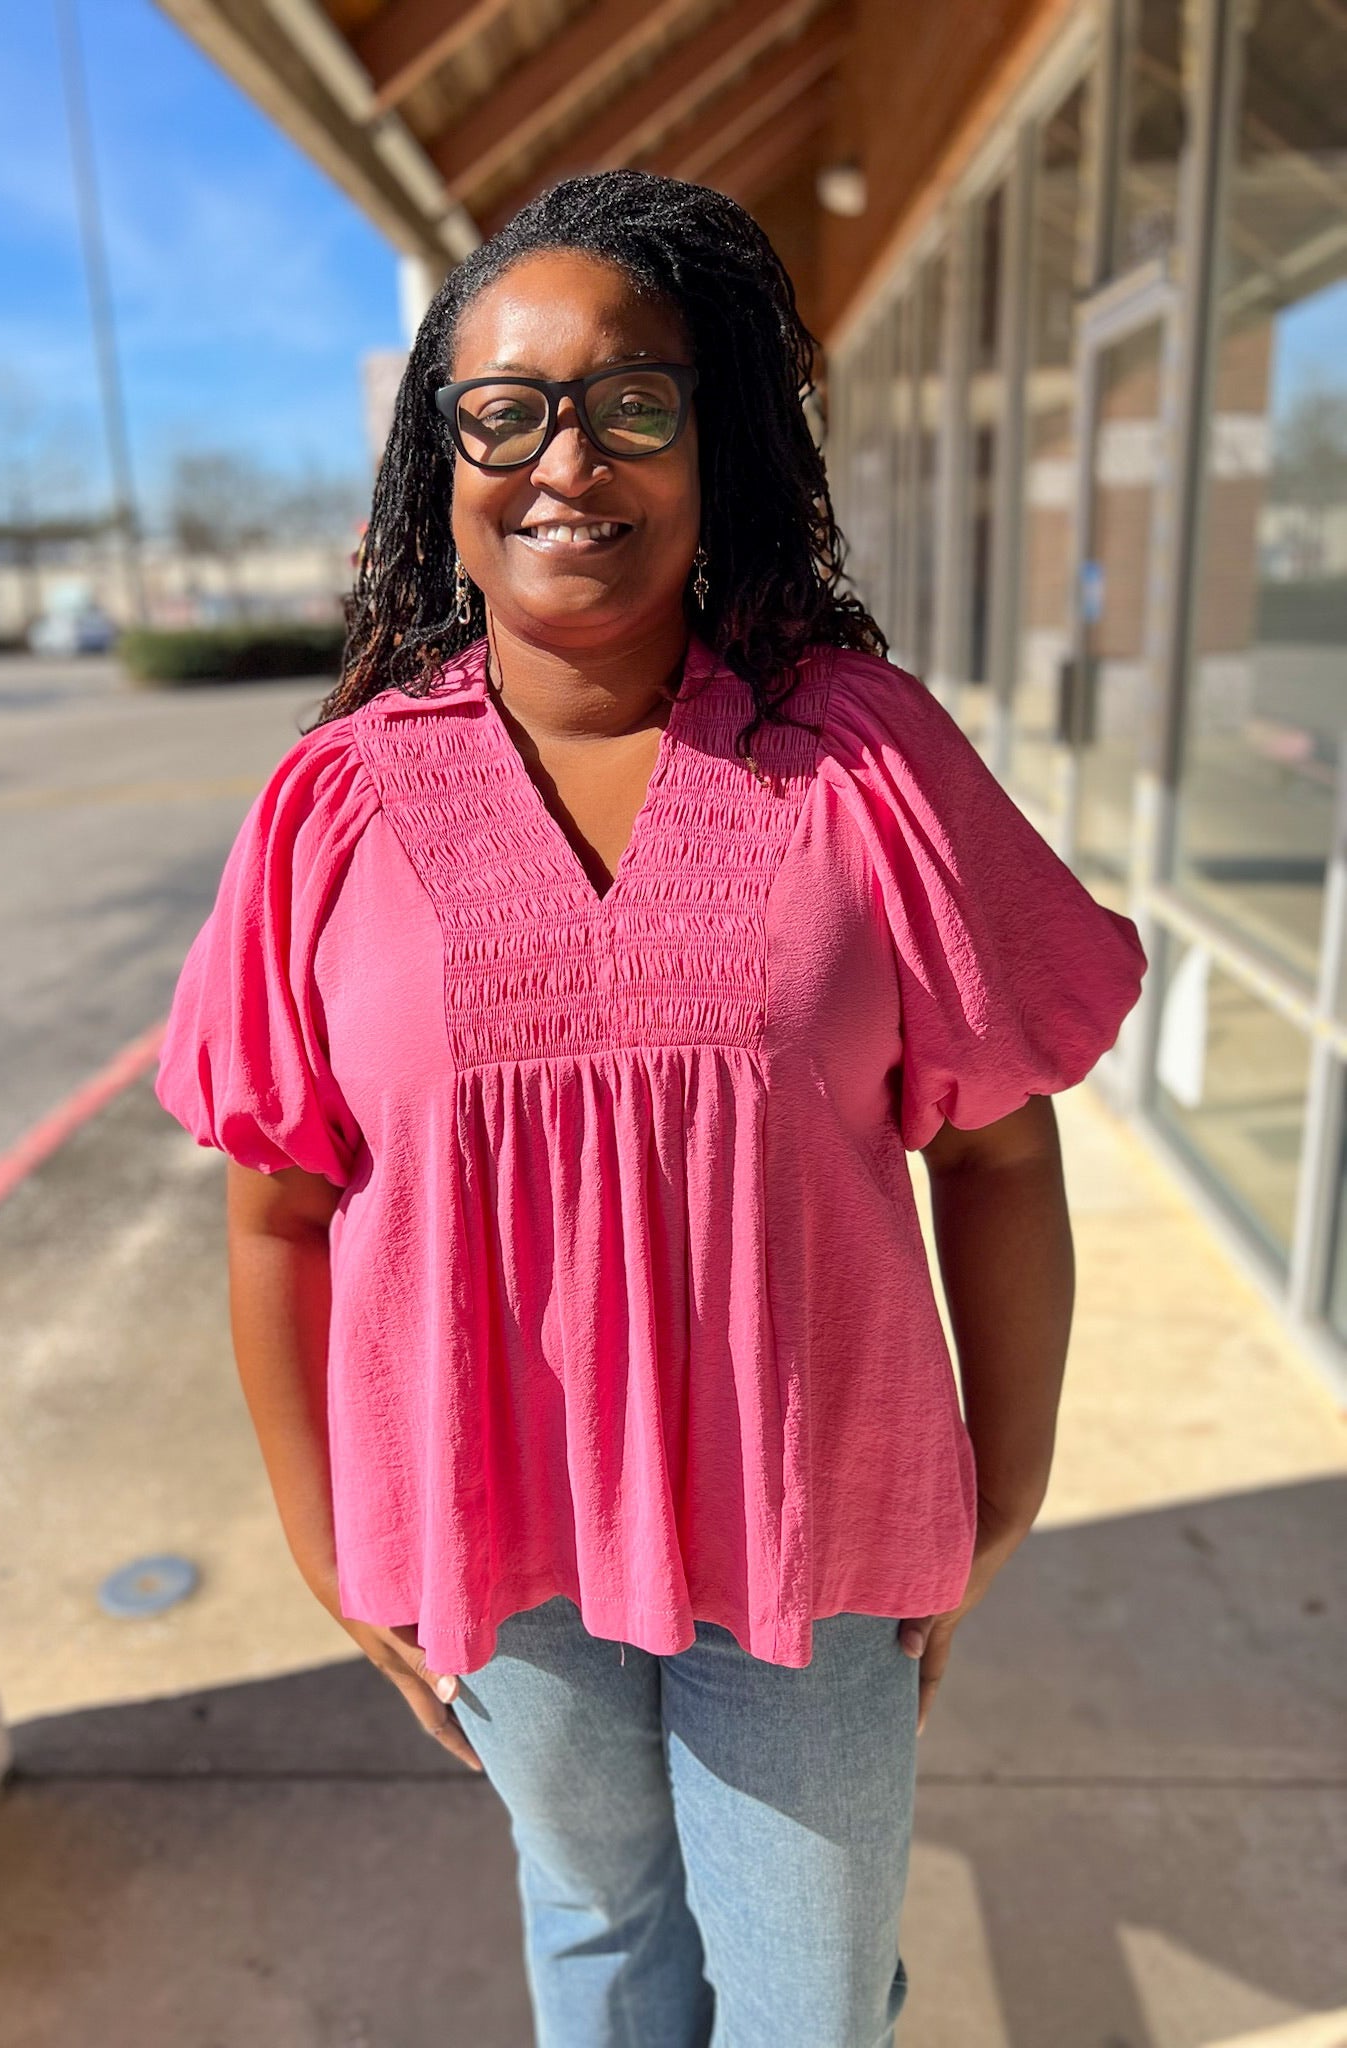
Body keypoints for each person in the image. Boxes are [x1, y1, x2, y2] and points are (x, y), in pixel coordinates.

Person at [154, 169, 1148, 2047]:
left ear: (717, 444)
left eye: (631, 404)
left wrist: (1000, 1491)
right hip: (494, 1541)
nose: (565, 462)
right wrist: (319, 1536)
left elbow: (1003, 1147)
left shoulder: (862, 757)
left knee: (807, 1996)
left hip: (814, 1531)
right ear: (439, 461)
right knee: (603, 1940)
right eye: (504, 411)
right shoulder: (334, 811)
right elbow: (276, 1203)